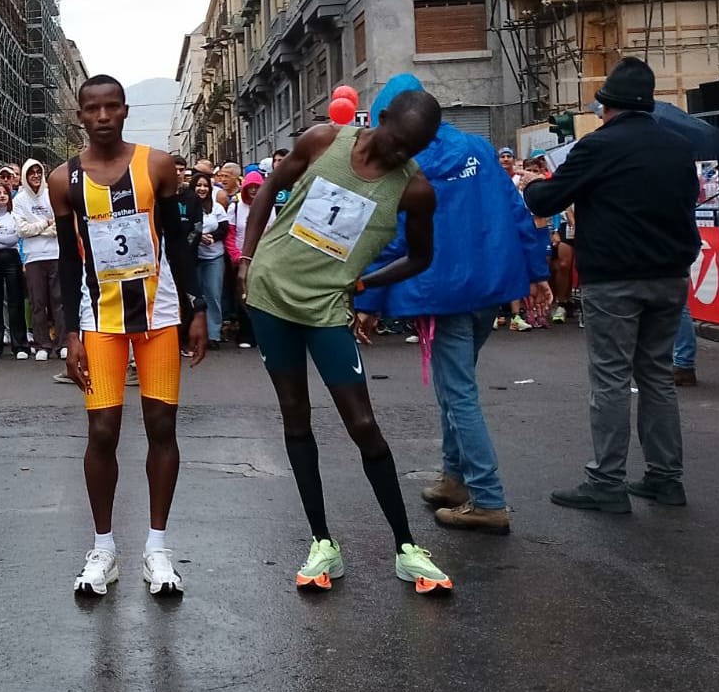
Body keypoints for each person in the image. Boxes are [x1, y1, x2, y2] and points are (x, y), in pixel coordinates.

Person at [239, 89, 452, 595]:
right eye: (396, 141)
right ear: (378, 119)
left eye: (411, 150)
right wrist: (246, 259)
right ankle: (321, 543)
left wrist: (364, 284)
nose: (399, 155)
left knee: (362, 423)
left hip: (325, 308)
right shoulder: (323, 140)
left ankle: (406, 547)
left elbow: (421, 257)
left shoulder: (415, 190)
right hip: (270, 295)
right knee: (296, 415)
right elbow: (270, 187)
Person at [354, 75, 552, 535]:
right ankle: (455, 479)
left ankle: (488, 498)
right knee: (453, 387)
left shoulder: (406, 164)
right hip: (490, 289)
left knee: (458, 393)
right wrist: (537, 273)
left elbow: (392, 238)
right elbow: (516, 211)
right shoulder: (481, 150)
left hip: (439, 294)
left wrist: (371, 299)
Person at [53, 75, 208, 598]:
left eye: (111, 107)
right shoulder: (63, 179)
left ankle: (157, 548)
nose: (101, 116)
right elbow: (69, 258)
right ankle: (104, 548)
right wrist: (69, 332)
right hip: (100, 320)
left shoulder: (156, 164)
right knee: (102, 433)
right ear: (80, 115)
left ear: (124, 111)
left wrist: (197, 308)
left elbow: (179, 244)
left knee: (162, 426)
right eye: (91, 109)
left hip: (159, 316)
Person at [521, 57, 698, 512]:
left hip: (614, 277)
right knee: (657, 376)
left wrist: (534, 185)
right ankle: (665, 477)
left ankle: (607, 481)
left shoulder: (598, 146)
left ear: (607, 106)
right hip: (669, 276)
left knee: (611, 380)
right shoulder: (678, 146)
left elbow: (546, 198)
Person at [15, 158, 64, 361]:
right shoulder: (19, 200)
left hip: (55, 254)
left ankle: (63, 344)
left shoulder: (52, 193)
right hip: (33, 257)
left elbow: (59, 226)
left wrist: (37, 229)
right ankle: (42, 343)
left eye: (38, 171)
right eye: (31, 172)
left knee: (59, 302)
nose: (35, 175)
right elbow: (21, 230)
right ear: (25, 176)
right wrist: (45, 223)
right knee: (37, 303)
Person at [0, 180, 30, 360]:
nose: (2, 195)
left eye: (5, 193)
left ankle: (20, 346)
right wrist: (3, 238)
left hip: (11, 259)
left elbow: (15, 238)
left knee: (15, 302)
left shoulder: (14, 215)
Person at [225, 169, 264, 349]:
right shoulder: (235, 207)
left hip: (263, 259)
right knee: (242, 297)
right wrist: (236, 256)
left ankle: (262, 334)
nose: (254, 191)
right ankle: (245, 334)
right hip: (241, 259)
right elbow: (230, 234)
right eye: (251, 187)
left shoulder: (268, 206)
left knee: (262, 298)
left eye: (258, 187)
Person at [192, 173, 229, 348]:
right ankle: (197, 335)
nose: (202, 188)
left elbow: (224, 229)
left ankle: (214, 335)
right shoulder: (188, 206)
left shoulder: (217, 208)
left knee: (213, 295)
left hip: (214, 257)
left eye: (205, 185)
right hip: (194, 257)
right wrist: (198, 237)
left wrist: (212, 237)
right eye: (198, 185)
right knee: (196, 297)